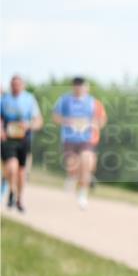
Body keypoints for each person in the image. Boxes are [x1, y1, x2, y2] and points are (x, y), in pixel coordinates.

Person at [52, 77, 107, 209]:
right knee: (72, 167)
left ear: (86, 87)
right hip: (69, 138)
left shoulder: (93, 102)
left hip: (86, 139)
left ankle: (83, 195)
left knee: (86, 164)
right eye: (76, 86)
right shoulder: (64, 100)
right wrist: (67, 121)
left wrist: (94, 124)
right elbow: (55, 117)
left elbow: (102, 119)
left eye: (81, 86)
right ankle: (72, 177)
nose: (79, 88)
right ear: (73, 87)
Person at [1, 75, 44, 213]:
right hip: (8, 139)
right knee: (12, 167)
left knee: (21, 172)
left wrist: (28, 125)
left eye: (18, 84)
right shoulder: (4, 100)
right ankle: (11, 191)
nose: (16, 87)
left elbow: (38, 122)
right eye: (13, 84)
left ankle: (19, 198)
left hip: (24, 140)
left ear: (23, 85)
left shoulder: (29, 100)